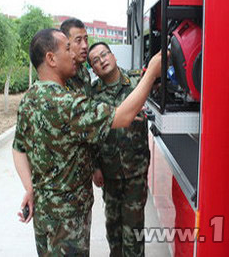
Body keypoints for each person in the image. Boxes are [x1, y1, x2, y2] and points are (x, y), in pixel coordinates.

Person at [12, 28, 162, 256]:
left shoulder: (29, 99)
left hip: (44, 213)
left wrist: (30, 190)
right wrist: (151, 72)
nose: (74, 54)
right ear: (51, 59)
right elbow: (122, 116)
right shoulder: (68, 104)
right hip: (68, 219)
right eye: (68, 48)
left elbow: (18, 149)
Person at [88, 42, 150, 257]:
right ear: (93, 69)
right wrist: (95, 166)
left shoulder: (137, 81)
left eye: (104, 55)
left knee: (133, 232)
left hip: (136, 172)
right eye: (95, 60)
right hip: (109, 173)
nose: (102, 60)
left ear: (113, 56)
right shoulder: (92, 94)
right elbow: (91, 134)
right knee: (113, 230)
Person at [60, 18, 91, 97]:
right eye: (78, 40)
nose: (85, 46)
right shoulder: (60, 73)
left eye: (86, 39)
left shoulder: (84, 72)